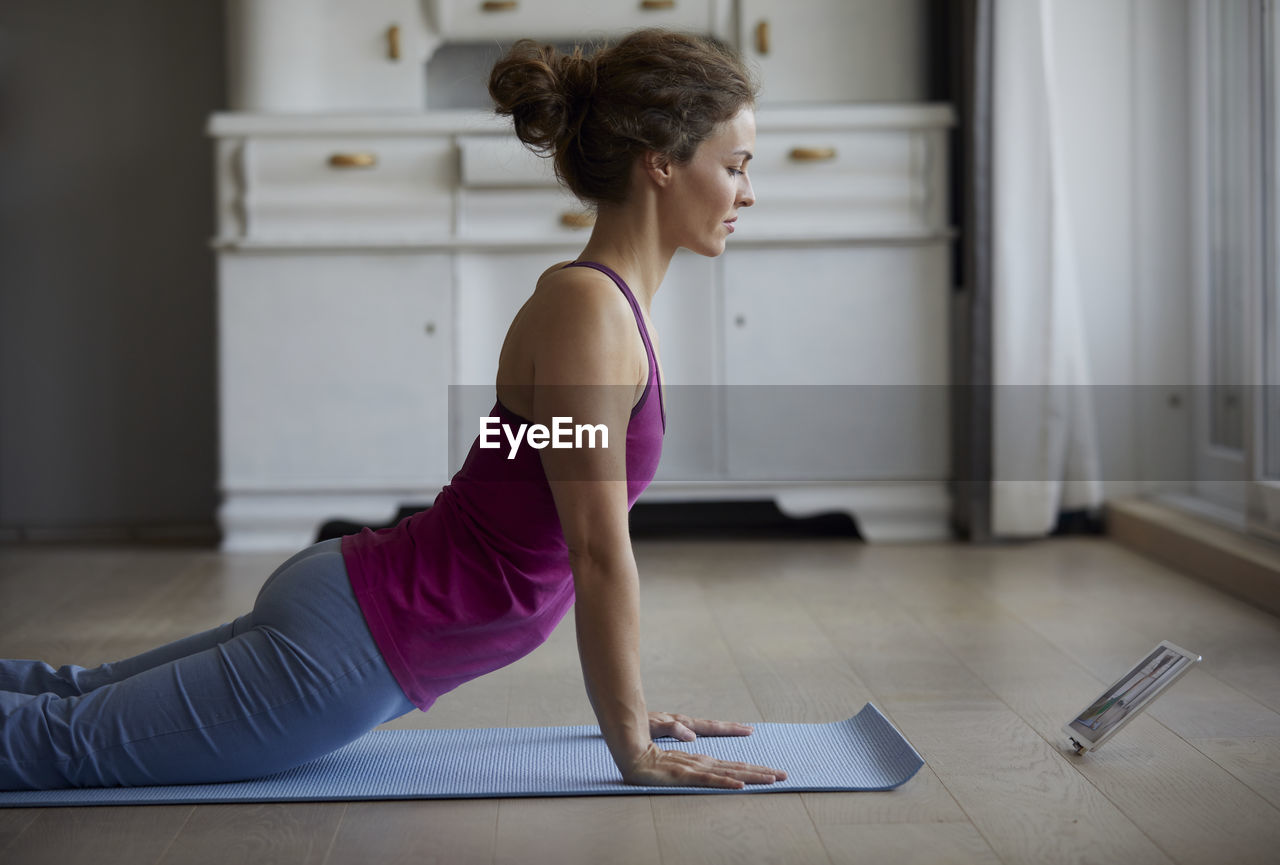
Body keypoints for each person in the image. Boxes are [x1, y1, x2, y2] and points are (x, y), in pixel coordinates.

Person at [0, 28, 784, 791]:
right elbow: (597, 551)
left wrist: (635, 712)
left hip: (356, 612)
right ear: (660, 165)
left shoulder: (606, 310)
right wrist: (631, 746)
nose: (748, 191)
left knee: (68, 697)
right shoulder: (591, 314)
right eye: (735, 164)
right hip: (356, 643)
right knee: (57, 745)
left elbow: (551, 521)